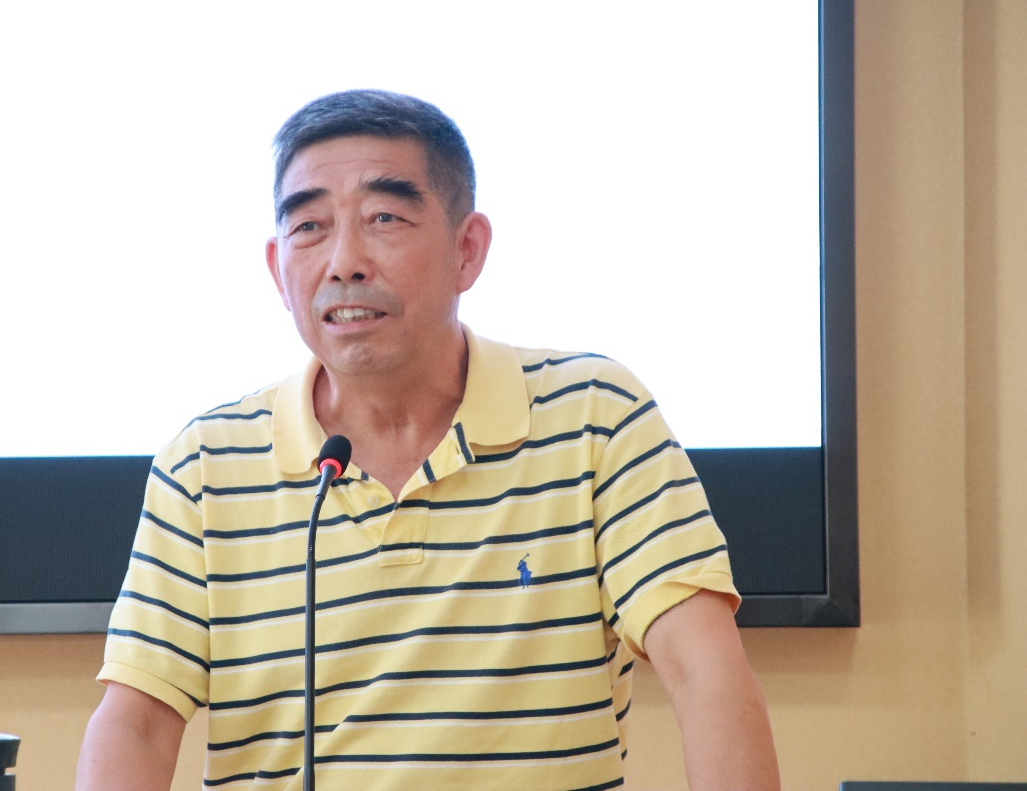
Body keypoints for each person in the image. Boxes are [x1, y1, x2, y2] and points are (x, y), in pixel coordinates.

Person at [76, 90, 780, 790]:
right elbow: (137, 723)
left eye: (384, 218)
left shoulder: (593, 415)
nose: (344, 262)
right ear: (276, 270)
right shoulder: (205, 464)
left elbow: (702, 668)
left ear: (467, 250)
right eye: (309, 227)